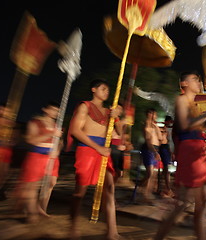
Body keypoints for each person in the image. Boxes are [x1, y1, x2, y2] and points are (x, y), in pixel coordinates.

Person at [155, 71, 206, 240]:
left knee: (201, 203)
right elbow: (185, 126)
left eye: (199, 80)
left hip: (199, 153)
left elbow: (196, 131)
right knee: (184, 203)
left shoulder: (196, 105)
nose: (198, 82)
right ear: (184, 84)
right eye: (194, 79)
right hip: (189, 155)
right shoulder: (182, 99)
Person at [67, 79, 119, 240]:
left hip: (104, 153)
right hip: (87, 151)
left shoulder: (109, 112)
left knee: (110, 190)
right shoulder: (85, 106)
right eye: (103, 89)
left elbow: (116, 136)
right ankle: (73, 228)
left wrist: (119, 120)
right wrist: (98, 148)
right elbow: (76, 130)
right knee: (79, 192)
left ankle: (112, 232)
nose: (106, 92)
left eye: (108, 90)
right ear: (93, 89)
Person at [17, 101, 62, 223]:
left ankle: (41, 208)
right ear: (45, 110)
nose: (56, 113)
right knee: (32, 185)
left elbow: (60, 142)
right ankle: (32, 213)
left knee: (51, 182)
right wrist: (51, 133)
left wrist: (57, 150)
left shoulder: (57, 124)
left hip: (52, 157)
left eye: (57, 111)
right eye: (53, 110)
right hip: (37, 155)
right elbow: (31, 140)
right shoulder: (35, 122)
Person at [0, 103, 15, 202]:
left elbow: (14, 137)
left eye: (5, 111)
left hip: (6, 149)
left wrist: (11, 141)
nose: (3, 112)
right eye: (0, 110)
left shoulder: (10, 123)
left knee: (3, 173)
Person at [140, 108, 162, 202]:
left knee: (154, 174)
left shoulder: (154, 125)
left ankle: (146, 192)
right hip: (149, 149)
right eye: (154, 114)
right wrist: (155, 152)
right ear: (150, 114)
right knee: (150, 173)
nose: (155, 116)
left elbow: (160, 138)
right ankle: (145, 193)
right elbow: (148, 140)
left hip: (156, 148)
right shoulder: (146, 125)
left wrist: (157, 128)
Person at [158, 115, 174, 198]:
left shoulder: (169, 129)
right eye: (170, 122)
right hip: (163, 147)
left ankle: (165, 188)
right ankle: (167, 188)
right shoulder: (162, 129)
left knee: (166, 169)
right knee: (166, 169)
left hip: (167, 147)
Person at [110, 103, 126, 184]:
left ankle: (111, 188)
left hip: (119, 146)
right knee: (115, 171)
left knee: (120, 172)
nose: (119, 111)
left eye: (120, 109)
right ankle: (109, 189)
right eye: (118, 108)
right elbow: (119, 132)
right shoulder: (113, 118)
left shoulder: (118, 119)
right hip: (113, 145)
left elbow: (122, 135)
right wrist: (120, 121)